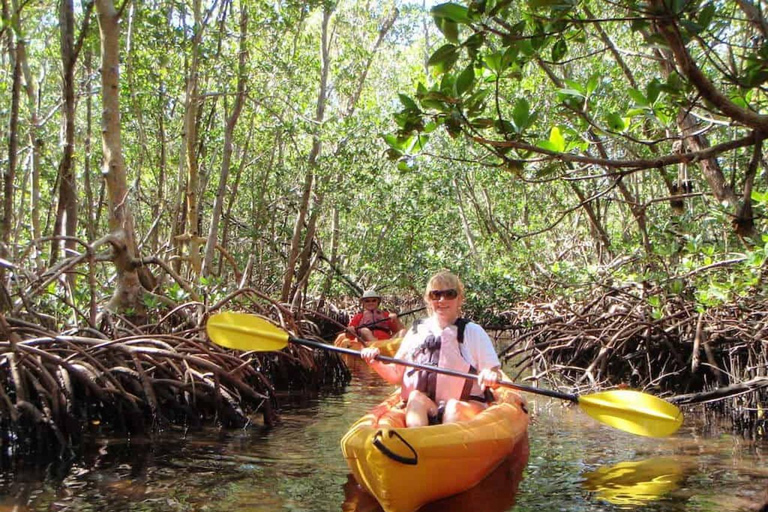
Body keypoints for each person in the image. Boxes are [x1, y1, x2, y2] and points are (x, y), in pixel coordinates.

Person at [361, 270, 502, 427]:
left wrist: (490, 375)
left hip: (464, 406)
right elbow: (395, 375)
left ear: (459, 298)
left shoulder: (473, 331)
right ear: (429, 299)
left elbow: (494, 374)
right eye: (436, 295)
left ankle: (445, 446)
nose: (442, 300)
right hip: (430, 406)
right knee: (415, 398)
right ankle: (418, 442)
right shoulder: (416, 331)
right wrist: (374, 362)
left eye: (449, 294)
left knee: (452, 407)